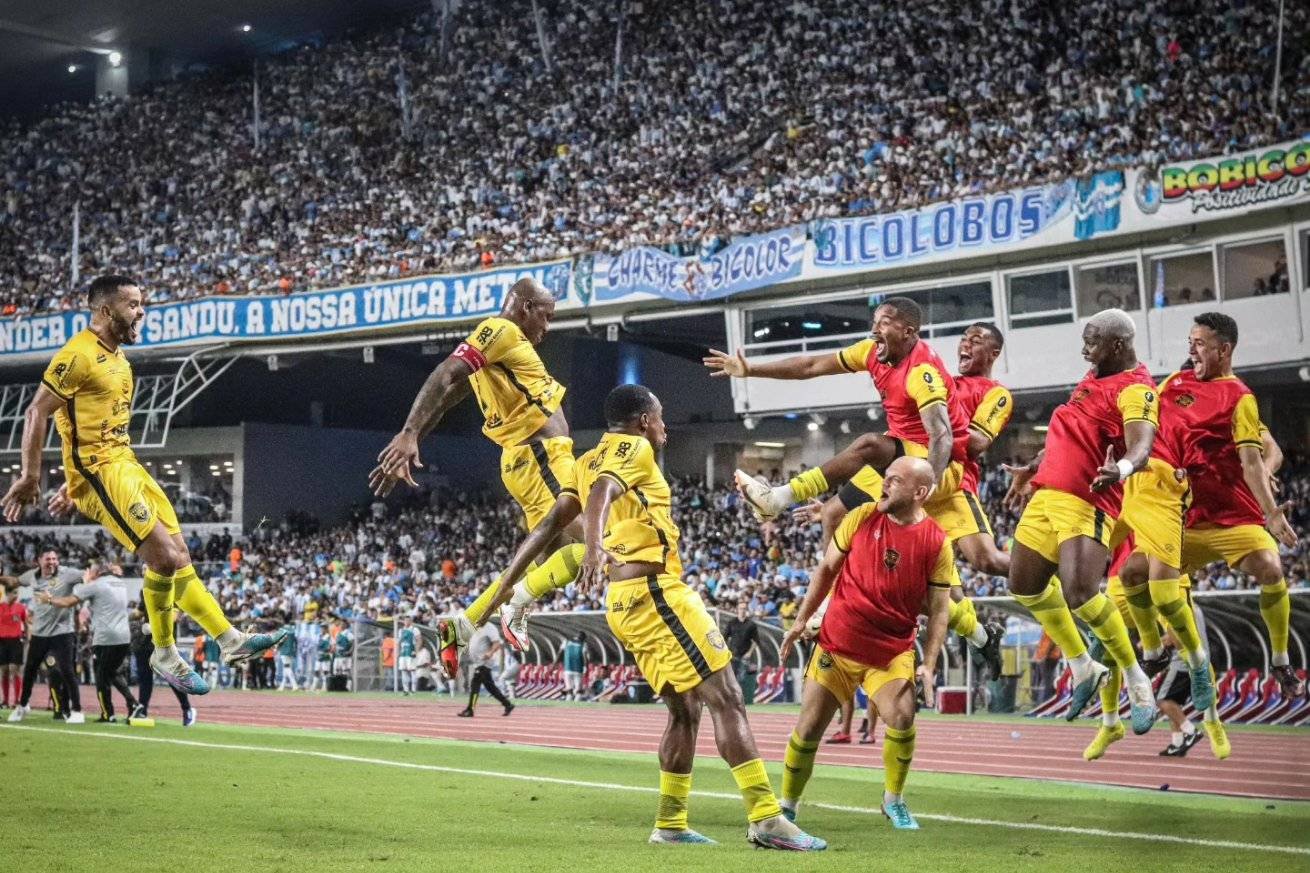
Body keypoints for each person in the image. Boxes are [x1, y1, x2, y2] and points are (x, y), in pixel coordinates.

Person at [0, 275, 286, 694]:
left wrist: (72, 482)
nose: (141, 311)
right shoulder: (77, 354)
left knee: (180, 555)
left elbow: (88, 425)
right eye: (132, 304)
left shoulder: (119, 360)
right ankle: (165, 652)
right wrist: (33, 474)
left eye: (141, 303)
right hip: (102, 471)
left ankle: (230, 640)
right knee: (164, 559)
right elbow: (36, 413)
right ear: (104, 311)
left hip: (124, 465)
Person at [574, 383, 824, 849]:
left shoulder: (586, 459)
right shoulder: (634, 448)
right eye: (662, 416)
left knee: (684, 710)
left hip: (624, 597)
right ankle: (767, 819)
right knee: (727, 697)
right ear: (645, 420)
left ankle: (670, 823)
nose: (665, 426)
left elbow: (564, 512)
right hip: (657, 592)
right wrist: (593, 550)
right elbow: (601, 495)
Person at [706, 305, 1004, 674]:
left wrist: (923, 487)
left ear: (909, 332)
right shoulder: (871, 352)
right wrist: (751, 369)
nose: (875, 330)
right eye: (874, 322)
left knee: (867, 447)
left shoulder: (922, 372)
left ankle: (778, 498)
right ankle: (980, 636)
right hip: (897, 457)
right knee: (836, 514)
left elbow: (942, 436)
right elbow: (810, 367)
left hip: (934, 465)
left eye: (885, 323)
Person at [369, 278, 583, 666]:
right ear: (525, 308)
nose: (547, 329)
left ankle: (466, 625)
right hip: (541, 457)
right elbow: (444, 375)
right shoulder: (500, 330)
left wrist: (416, 434)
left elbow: (449, 397)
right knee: (601, 544)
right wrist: (408, 433)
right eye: (546, 317)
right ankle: (513, 605)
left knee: (564, 559)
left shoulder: (496, 355)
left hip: (531, 462)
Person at [1002, 309, 1160, 738]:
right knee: (1024, 584)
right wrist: (1032, 467)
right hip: (1047, 492)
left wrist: (1124, 467)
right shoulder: (1094, 376)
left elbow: (1142, 442)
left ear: (1118, 345)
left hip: (1087, 497)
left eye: (1091, 342)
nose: (1084, 349)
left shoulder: (1136, 389)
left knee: (1080, 592)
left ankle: (1135, 678)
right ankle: (1082, 666)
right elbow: (1072, 433)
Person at [777, 456, 953, 830]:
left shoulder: (937, 541)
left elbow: (939, 611)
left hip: (889, 653)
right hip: (837, 646)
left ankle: (893, 800)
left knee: (903, 718)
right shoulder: (861, 517)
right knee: (808, 727)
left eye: (894, 480)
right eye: (885, 478)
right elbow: (826, 570)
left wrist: (930, 663)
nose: (884, 485)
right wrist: (801, 621)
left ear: (920, 492)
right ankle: (788, 805)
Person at [1164, 313, 1301, 697]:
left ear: (1223, 350)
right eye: (1189, 345)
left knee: (1271, 567)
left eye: (1200, 345)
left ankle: (1280, 661)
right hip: (1185, 518)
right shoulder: (1174, 387)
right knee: (1141, 576)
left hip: (1234, 517)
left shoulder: (1239, 399)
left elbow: (1265, 451)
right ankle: (1175, 653)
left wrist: (1268, 493)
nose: (1192, 353)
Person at [38, 563, 140, 722]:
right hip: (124, 636)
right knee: (111, 673)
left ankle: (109, 714)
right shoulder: (120, 583)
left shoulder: (96, 585)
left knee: (101, 677)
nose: (86, 572)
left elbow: (69, 601)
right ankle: (132, 704)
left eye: (90, 570)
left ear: (97, 572)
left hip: (106, 638)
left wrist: (49, 599)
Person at [9, 550, 84, 723]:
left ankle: (77, 711)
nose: (52, 562)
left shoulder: (67, 573)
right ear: (39, 560)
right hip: (39, 633)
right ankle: (23, 706)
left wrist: (94, 576)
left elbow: (87, 575)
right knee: (29, 671)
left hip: (62, 632)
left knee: (67, 671)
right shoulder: (32, 576)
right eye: (48, 559)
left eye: (55, 558)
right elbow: (15, 581)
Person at [128, 607, 195, 726]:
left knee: (172, 679)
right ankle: (142, 711)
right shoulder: (145, 592)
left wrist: (152, 626)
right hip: (144, 644)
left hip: (164, 644)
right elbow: (137, 613)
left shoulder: (171, 593)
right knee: (145, 680)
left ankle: (187, 709)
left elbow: (173, 617)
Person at [458, 621, 514, 717]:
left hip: (486, 662)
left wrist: (490, 653)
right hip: (478, 662)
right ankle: (508, 704)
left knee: (475, 684)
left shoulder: (490, 627)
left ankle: (470, 709)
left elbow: (497, 643)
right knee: (490, 687)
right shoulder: (474, 627)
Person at [0, 578, 28, 709]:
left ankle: (17, 700)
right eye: (14, 593)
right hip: (2, 641)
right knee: (4, 670)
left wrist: (26, 637)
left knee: (14, 669)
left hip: (16, 640)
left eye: (17, 593)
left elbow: (26, 623)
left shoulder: (21, 607)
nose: (16, 596)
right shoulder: (0, 607)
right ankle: (5, 701)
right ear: (7, 593)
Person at [723, 600, 760, 689]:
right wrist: (726, 650)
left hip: (744, 655)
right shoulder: (731, 623)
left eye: (744, 608)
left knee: (741, 678)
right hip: (732, 654)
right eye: (740, 608)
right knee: (731, 678)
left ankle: (740, 699)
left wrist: (749, 653)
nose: (742, 610)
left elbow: (756, 640)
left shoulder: (751, 624)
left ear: (746, 610)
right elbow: (724, 637)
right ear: (737, 610)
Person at [561, 632, 587, 701]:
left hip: (568, 668)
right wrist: (585, 668)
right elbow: (585, 658)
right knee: (578, 689)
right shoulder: (583, 644)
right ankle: (576, 704)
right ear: (582, 638)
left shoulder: (566, 641)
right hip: (578, 669)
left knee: (569, 688)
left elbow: (559, 653)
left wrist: (554, 664)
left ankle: (569, 703)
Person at [397, 616, 419, 695]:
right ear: (404, 621)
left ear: (411, 621)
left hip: (411, 652)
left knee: (412, 671)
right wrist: (398, 652)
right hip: (403, 653)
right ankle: (405, 690)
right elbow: (399, 642)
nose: (407, 622)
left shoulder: (414, 629)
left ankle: (413, 690)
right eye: (405, 620)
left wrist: (416, 651)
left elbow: (419, 640)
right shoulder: (401, 630)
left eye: (408, 620)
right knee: (403, 671)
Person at [333, 618, 354, 691]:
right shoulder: (338, 633)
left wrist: (350, 651)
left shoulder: (348, 633)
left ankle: (348, 687)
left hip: (345, 656)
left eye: (342, 624)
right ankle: (338, 686)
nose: (341, 625)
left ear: (345, 625)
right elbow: (335, 644)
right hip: (338, 656)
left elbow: (353, 643)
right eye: (340, 623)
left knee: (347, 671)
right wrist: (334, 650)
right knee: (337, 671)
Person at [276, 623, 298, 691]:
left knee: (287, 668)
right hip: (291, 652)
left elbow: (279, 642)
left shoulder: (282, 633)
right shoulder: (292, 633)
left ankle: (294, 685)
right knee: (286, 669)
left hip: (284, 652)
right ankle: (282, 686)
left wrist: (277, 648)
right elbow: (296, 642)